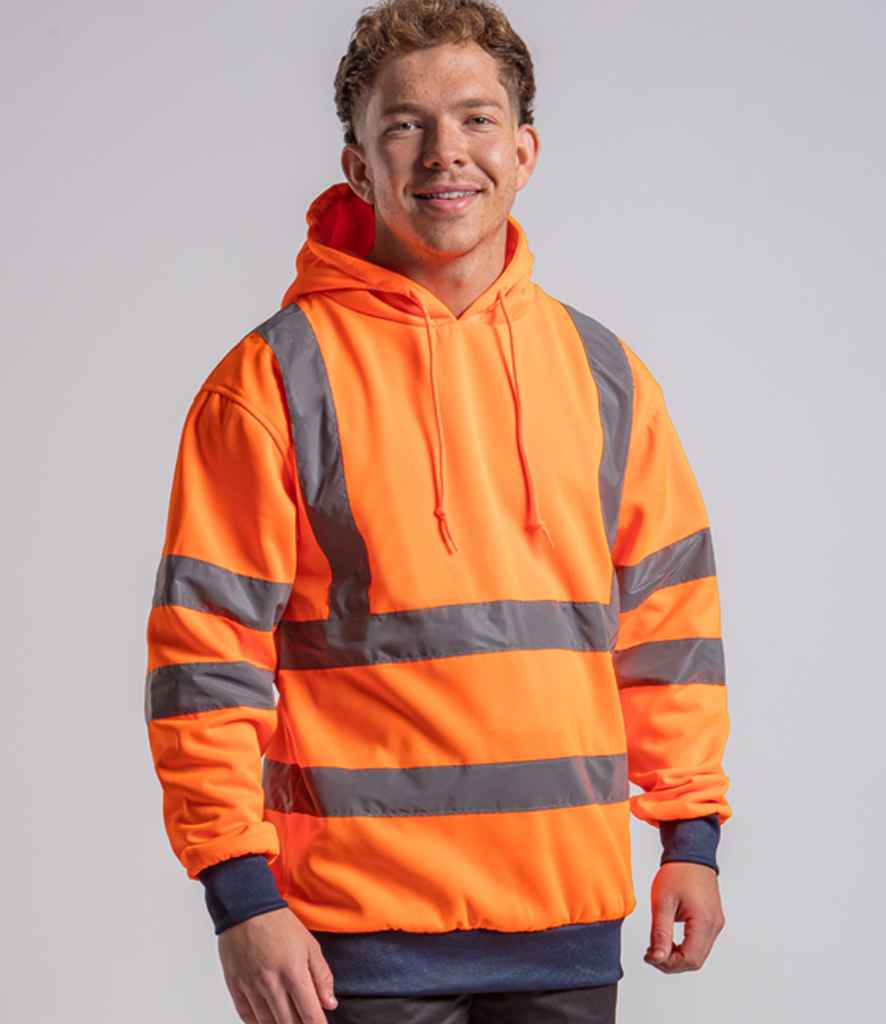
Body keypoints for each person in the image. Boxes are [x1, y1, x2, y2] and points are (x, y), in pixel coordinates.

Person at [144, 1, 731, 1021]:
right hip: (352, 937)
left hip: (565, 927)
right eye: (405, 124)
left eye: (475, 119)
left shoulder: (604, 377)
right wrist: (239, 895)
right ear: (357, 166)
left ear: (524, 151)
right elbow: (205, 656)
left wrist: (691, 835)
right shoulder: (274, 381)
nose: (444, 153)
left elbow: (669, 623)